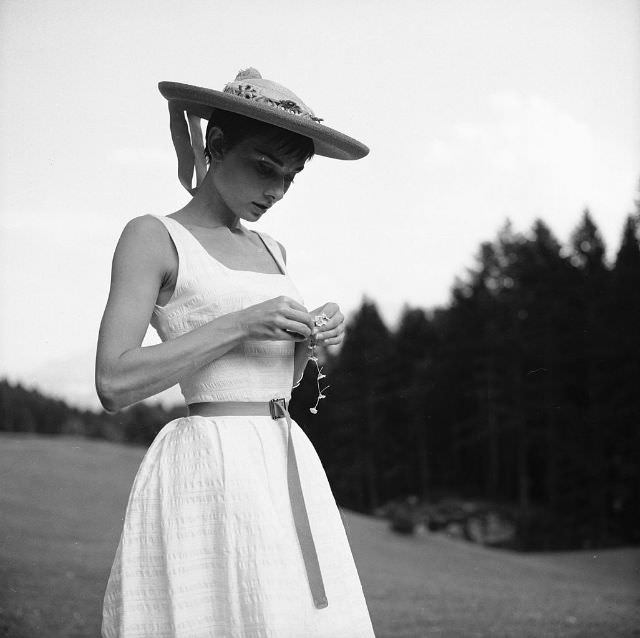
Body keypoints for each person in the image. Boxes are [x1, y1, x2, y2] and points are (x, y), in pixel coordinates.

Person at [96, 68, 376, 637]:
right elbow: (113, 383)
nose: (275, 190)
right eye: (265, 166)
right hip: (209, 466)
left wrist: (314, 342)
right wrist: (242, 322)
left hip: (285, 462)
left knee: (288, 616)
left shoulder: (273, 248)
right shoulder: (153, 237)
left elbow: (269, 381)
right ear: (215, 145)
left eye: (290, 177)